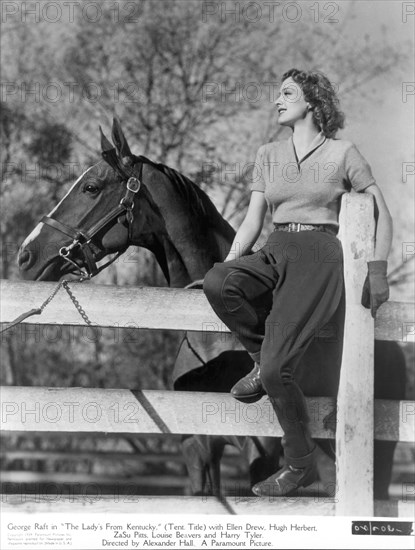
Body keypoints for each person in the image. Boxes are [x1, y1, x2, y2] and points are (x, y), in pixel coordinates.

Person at [203, 68, 392, 497]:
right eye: (277, 94)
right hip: (276, 247)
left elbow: (382, 214)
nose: (277, 100)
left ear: (313, 101)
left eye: (287, 93)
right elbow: (253, 221)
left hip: (320, 256)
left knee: (276, 370)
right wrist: (231, 265)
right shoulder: (268, 153)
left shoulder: (343, 153)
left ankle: (300, 463)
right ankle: (261, 359)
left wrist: (377, 268)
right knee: (217, 282)